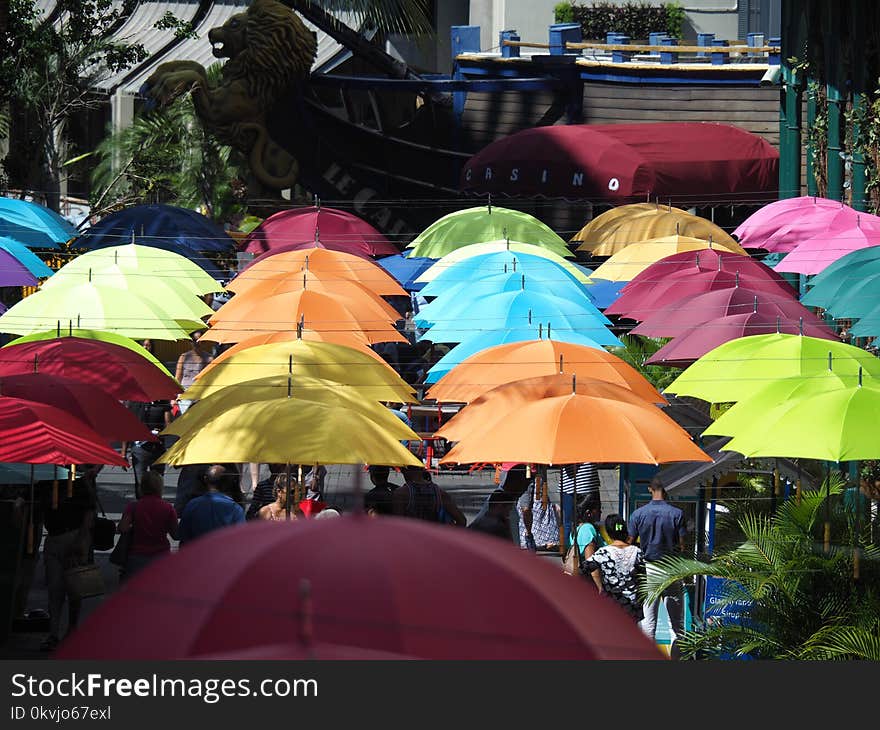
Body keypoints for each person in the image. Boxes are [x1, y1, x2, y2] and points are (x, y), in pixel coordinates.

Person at [627, 475, 688, 659]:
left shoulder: (638, 514)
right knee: (676, 625)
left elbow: (630, 541)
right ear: (666, 489)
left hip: (649, 569)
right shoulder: (677, 514)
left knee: (649, 624)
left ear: (649, 490)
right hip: (671, 569)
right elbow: (683, 545)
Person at [39, 475, 96, 651]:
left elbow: (89, 512)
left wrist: (81, 539)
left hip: (74, 535)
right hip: (54, 537)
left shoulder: (78, 481)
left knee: (74, 587)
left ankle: (71, 629)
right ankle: (54, 633)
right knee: (55, 588)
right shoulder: (44, 482)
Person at [116, 470, 178, 581]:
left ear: (142, 487)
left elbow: (122, 528)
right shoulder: (168, 507)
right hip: (161, 555)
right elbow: (175, 534)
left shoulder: (133, 506)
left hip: (137, 555)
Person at [582, 514, 646, 620]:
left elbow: (582, 570)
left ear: (608, 533)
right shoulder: (637, 552)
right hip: (632, 607)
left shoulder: (603, 553)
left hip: (611, 606)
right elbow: (644, 579)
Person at [178, 465, 245, 545]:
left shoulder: (192, 505)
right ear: (227, 482)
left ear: (205, 480)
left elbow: (182, 534)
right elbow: (241, 538)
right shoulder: (235, 509)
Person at [392, 466, 466, 526]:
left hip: (410, 538)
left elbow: (397, 525)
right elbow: (462, 521)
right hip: (433, 538)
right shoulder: (439, 493)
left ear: (405, 471)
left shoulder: (401, 494)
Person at [559, 463, 601, 550]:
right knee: (569, 522)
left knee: (592, 521)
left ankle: (590, 550)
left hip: (589, 484)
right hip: (570, 486)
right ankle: (569, 552)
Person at [174, 330, 213, 415]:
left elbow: (212, 379)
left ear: (204, 342)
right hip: (185, 395)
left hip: (201, 395)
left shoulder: (210, 359)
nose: (197, 343)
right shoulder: (184, 357)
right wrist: (174, 397)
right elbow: (178, 378)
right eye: (194, 341)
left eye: (199, 341)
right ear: (191, 342)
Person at [517, 480, 560, 552]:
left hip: (538, 484)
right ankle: (531, 539)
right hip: (525, 482)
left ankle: (545, 540)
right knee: (528, 510)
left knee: (542, 511)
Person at [570, 498, 605, 563]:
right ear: (588, 513)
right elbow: (590, 563)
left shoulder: (577, 527)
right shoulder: (587, 529)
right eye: (598, 509)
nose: (600, 512)